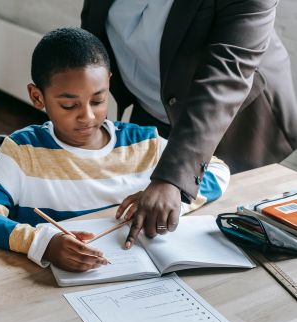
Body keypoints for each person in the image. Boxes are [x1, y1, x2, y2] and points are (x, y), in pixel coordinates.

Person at [0, 27, 230, 272]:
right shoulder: (23, 151)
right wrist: (42, 243)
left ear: (109, 83)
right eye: (69, 105)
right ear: (37, 96)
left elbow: (217, 170)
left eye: (98, 100)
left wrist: (170, 199)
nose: (87, 116)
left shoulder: (142, 142)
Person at [81, 0, 297, 244]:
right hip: (151, 107)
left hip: (237, 126)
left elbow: (224, 81)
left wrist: (171, 178)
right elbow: (92, 26)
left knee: (235, 236)